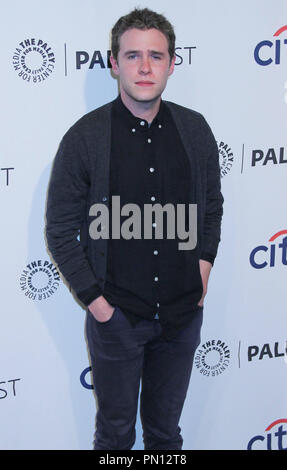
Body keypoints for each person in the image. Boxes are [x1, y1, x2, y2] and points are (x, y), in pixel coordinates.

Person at [45, 7, 223, 450]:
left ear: (172, 63)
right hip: (118, 318)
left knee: (166, 437)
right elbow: (61, 227)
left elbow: (212, 208)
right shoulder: (85, 138)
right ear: (113, 63)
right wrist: (97, 303)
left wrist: (203, 268)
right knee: (115, 437)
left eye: (156, 56)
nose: (145, 67)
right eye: (133, 56)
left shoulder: (196, 131)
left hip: (182, 318)